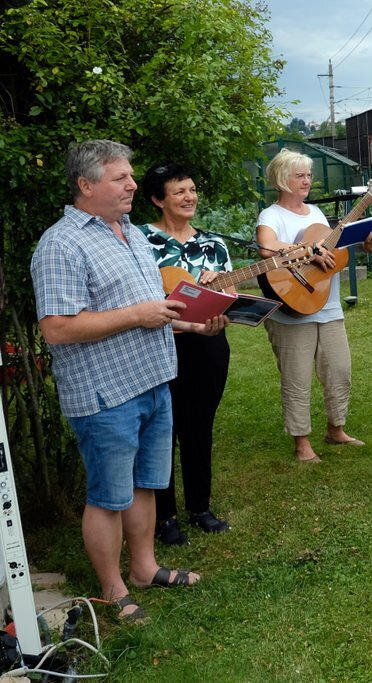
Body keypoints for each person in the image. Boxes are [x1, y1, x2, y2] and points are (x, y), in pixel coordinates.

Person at [31, 140, 219, 624]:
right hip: (104, 392)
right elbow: (57, 327)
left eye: (131, 176)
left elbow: (153, 310)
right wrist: (138, 314)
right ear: (85, 184)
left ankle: (144, 568)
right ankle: (112, 589)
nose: (133, 185)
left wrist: (193, 325)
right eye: (121, 178)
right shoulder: (61, 244)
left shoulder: (130, 232)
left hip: (153, 380)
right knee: (108, 496)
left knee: (146, 484)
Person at [257, 149, 372, 463]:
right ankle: (301, 442)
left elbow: (330, 252)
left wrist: (365, 244)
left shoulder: (315, 213)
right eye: (299, 175)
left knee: (339, 371)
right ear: (282, 179)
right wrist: (307, 249)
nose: (307, 181)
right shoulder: (271, 215)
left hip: (327, 305)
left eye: (309, 175)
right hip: (291, 306)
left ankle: (335, 429)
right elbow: (266, 247)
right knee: (297, 379)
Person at [139, 162, 232, 546]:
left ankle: (200, 507)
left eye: (192, 190)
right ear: (157, 199)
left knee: (199, 425)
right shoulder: (139, 240)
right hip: (157, 344)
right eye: (179, 191)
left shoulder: (213, 243)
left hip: (207, 343)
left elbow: (228, 298)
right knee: (162, 430)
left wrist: (222, 290)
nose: (189, 197)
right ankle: (164, 517)